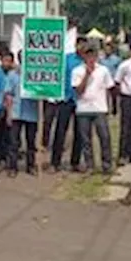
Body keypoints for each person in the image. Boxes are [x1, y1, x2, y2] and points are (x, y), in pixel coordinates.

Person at [71, 44, 115, 175]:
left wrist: (110, 107)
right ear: (83, 56)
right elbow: (78, 90)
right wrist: (86, 75)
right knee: (86, 139)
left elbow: (109, 88)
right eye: (87, 55)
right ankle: (90, 165)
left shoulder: (103, 71)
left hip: (100, 108)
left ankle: (106, 165)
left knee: (105, 137)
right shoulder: (77, 71)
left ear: (96, 56)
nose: (90, 58)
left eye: (93, 55)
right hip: (83, 109)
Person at [51, 38, 87, 172]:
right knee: (60, 131)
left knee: (79, 132)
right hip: (66, 99)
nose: (81, 47)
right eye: (80, 44)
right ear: (75, 45)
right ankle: (55, 162)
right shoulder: (67, 59)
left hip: (81, 100)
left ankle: (75, 162)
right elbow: (58, 75)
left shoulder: (87, 61)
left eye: (84, 45)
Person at [2, 52, 39, 176]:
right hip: (16, 112)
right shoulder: (12, 75)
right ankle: (12, 167)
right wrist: (8, 113)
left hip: (32, 113)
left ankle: (31, 166)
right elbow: (8, 95)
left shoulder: (37, 74)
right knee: (14, 142)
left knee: (31, 142)